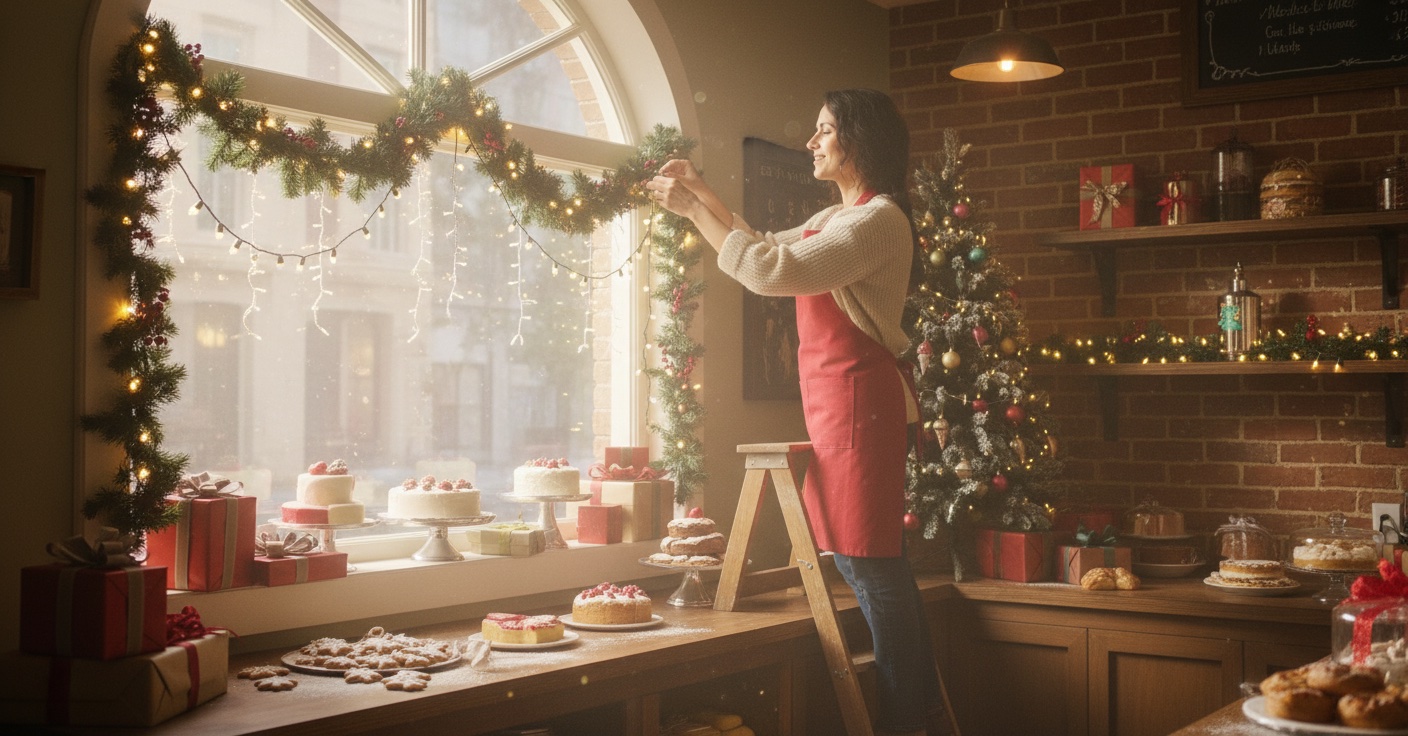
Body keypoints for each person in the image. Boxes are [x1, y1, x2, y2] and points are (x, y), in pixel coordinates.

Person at [647, 88, 944, 736]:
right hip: (837, 403)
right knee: (867, 560)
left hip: (862, 406)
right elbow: (757, 241)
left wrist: (693, 213)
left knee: (869, 562)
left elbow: (767, 269)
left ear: (857, 141)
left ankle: (900, 720)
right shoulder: (835, 220)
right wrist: (698, 192)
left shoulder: (879, 221)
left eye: (823, 131)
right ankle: (916, 709)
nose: (812, 142)